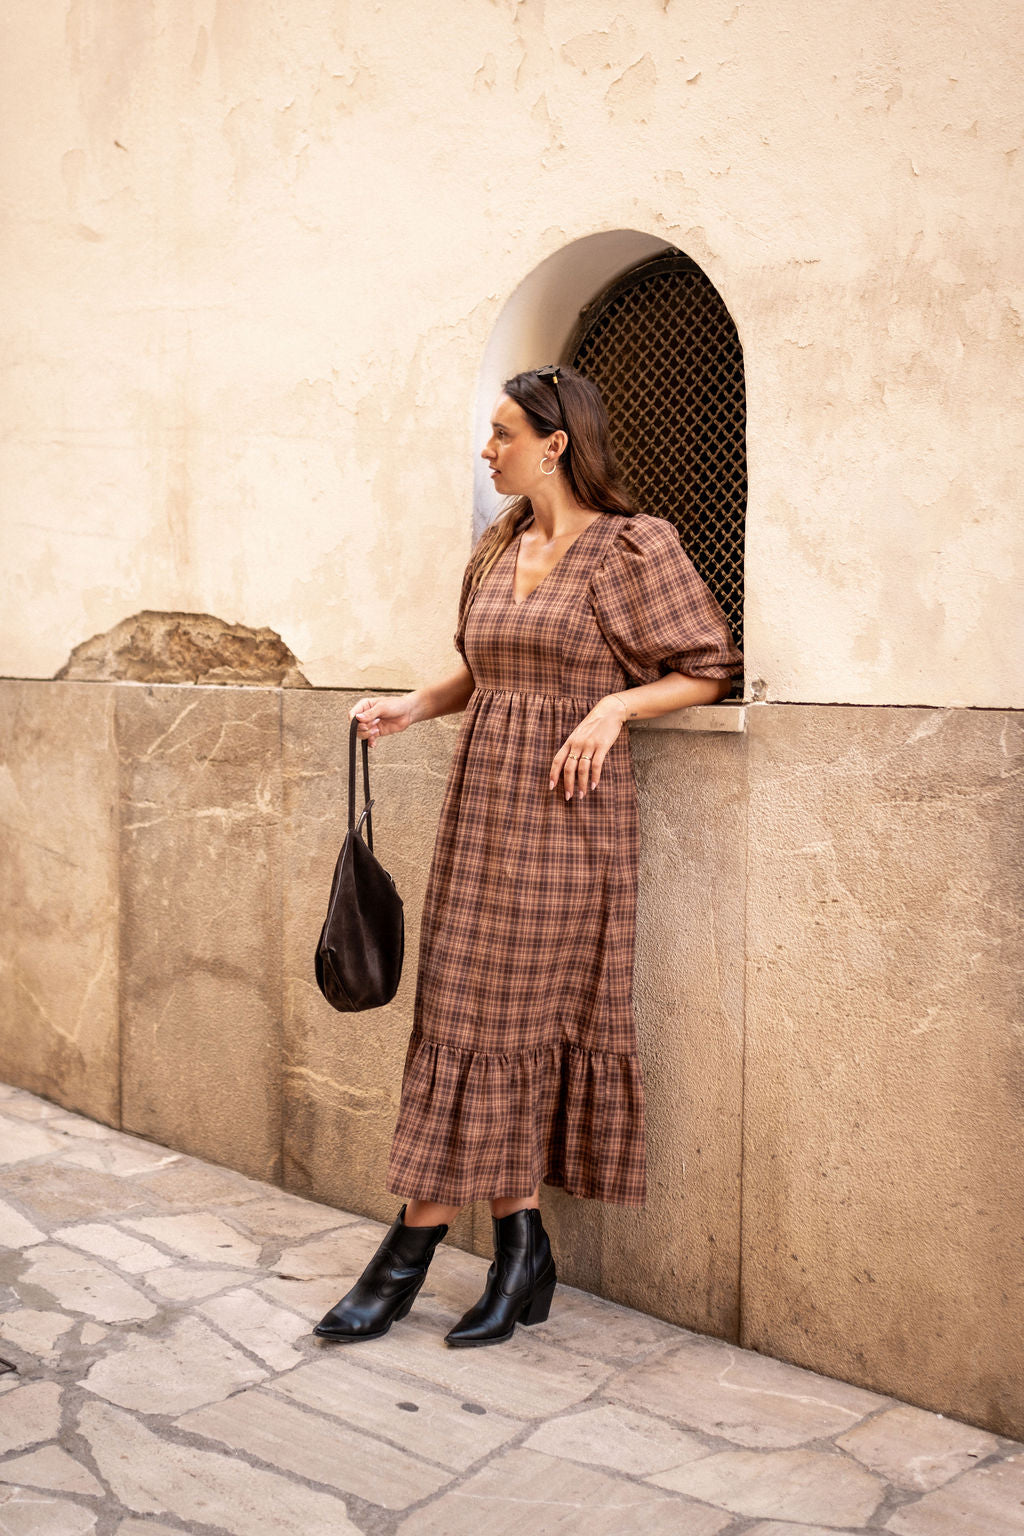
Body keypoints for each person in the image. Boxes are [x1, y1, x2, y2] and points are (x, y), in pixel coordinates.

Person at [315, 363, 742, 1348]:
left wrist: (613, 703)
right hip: (480, 809)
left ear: (557, 444)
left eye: (503, 433)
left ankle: (410, 1253)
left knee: (503, 1021)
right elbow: (484, 664)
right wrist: (413, 705)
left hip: (565, 824)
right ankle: (518, 1249)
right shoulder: (499, 540)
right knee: (462, 1015)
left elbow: (707, 666)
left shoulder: (637, 545)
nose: (487, 448)